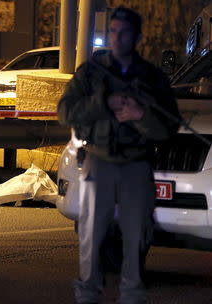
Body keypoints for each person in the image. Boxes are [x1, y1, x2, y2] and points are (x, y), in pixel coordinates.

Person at [58, 7, 180, 304]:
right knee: (90, 235)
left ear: (137, 37)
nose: (116, 37)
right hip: (99, 160)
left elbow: (169, 127)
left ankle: (132, 295)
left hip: (136, 163)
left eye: (123, 32)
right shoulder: (91, 72)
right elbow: (65, 112)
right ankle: (87, 295)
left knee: (136, 235)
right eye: (112, 30)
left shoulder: (151, 76)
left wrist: (140, 115)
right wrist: (104, 101)